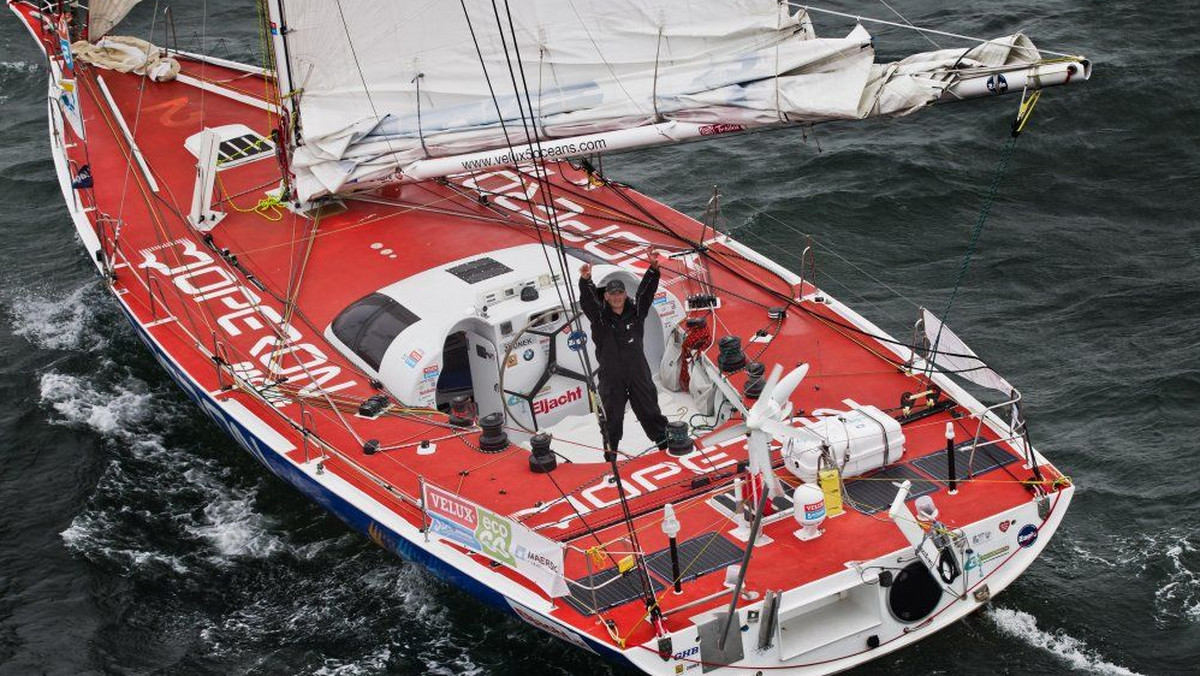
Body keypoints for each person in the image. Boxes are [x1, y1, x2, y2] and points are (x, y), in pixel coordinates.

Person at [579, 253, 669, 461]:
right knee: (612, 422)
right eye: (613, 294)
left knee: (651, 413)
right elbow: (588, 302)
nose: (617, 297)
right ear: (607, 297)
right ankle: (611, 460)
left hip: (638, 374)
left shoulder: (636, 313)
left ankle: (665, 448)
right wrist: (586, 281)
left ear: (624, 294)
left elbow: (646, 294)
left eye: (620, 292)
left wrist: (653, 270)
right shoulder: (599, 318)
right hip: (611, 379)